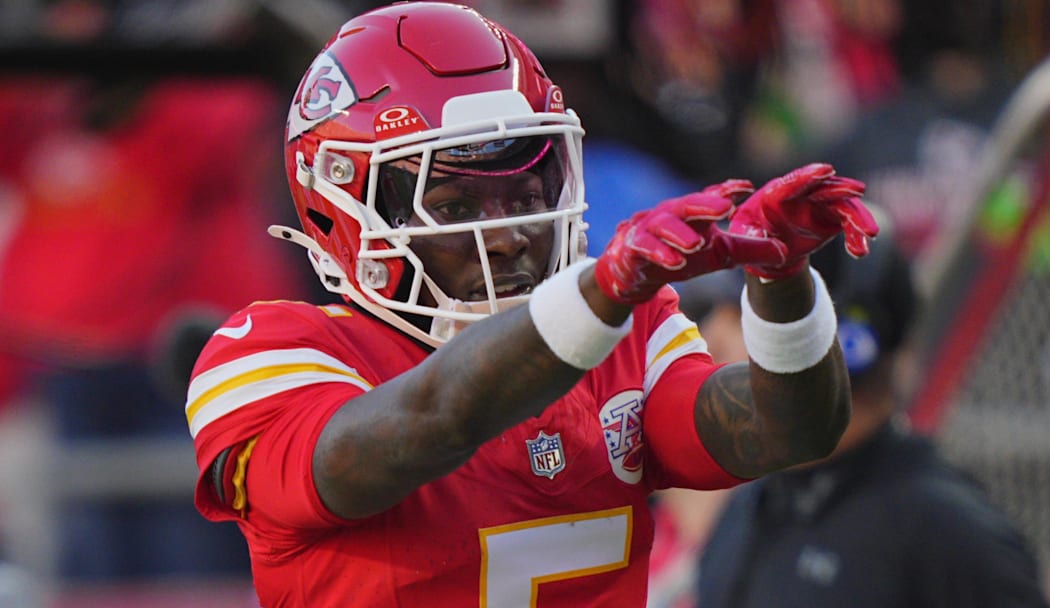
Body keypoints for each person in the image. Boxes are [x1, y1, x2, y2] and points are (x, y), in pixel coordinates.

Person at [184, 3, 880, 606]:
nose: (511, 233)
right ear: (342, 209)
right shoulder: (272, 351)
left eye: (525, 198)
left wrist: (783, 284)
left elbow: (790, 430)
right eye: (456, 205)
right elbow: (431, 421)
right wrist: (599, 295)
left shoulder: (621, 328)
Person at [694, 217, 1050, 607]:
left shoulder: (947, 531)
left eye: (741, 315)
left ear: (835, 348)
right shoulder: (760, 497)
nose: (712, 336)